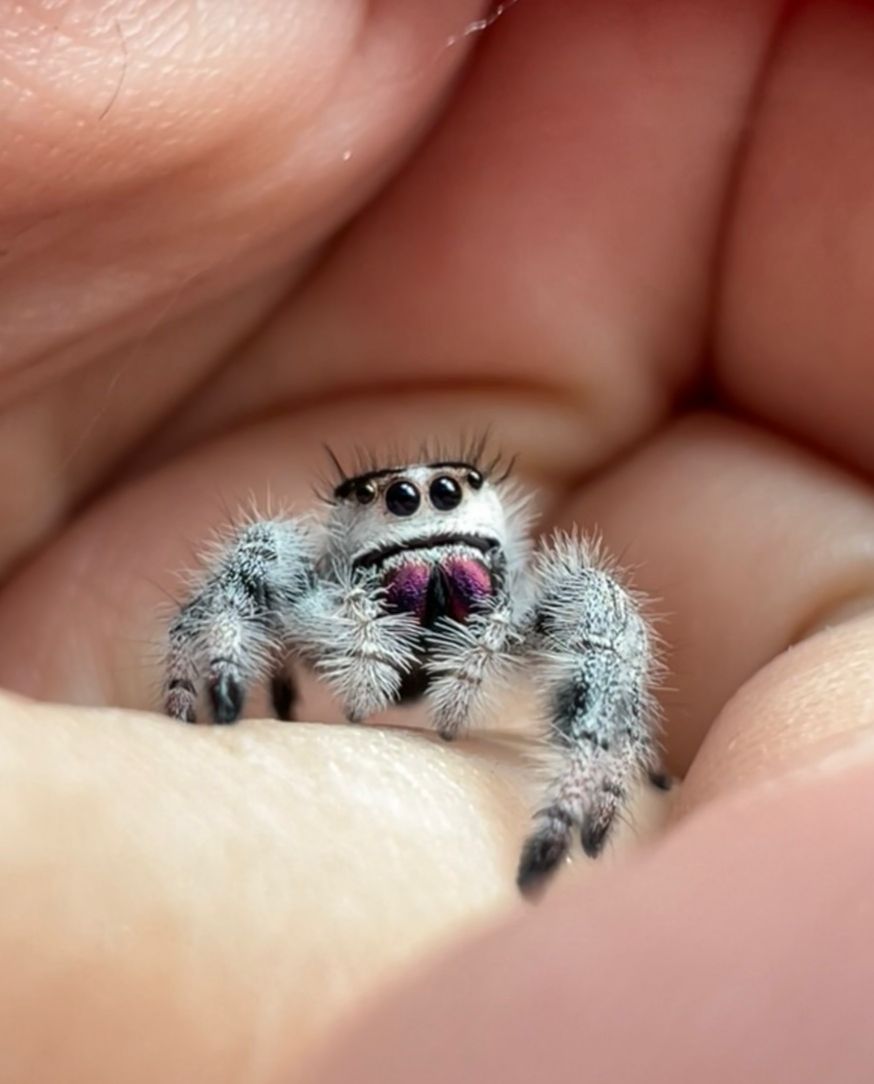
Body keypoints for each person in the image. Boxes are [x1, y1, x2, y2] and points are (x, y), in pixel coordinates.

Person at [1, 2, 872, 1080]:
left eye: (448, 494)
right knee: (257, 548)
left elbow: (598, 629)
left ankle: (592, 783)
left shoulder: (529, 591)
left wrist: (595, 766)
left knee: (600, 601)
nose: (422, 507)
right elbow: (250, 577)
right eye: (396, 498)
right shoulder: (316, 575)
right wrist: (208, 697)